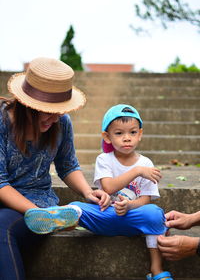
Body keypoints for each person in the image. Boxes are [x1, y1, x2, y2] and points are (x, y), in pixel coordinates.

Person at [27, 104, 173, 280]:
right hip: (104, 215)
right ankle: (56, 218)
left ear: (140, 134)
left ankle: (156, 270)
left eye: (132, 132)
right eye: (119, 133)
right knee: (77, 207)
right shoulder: (104, 159)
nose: (127, 138)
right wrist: (137, 171)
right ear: (107, 137)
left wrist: (129, 206)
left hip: (132, 218)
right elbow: (109, 187)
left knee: (156, 215)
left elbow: (145, 200)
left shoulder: (146, 164)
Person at [0, 57, 110, 280]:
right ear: (26, 104)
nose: (55, 117)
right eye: (47, 110)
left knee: (2, 230)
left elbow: (67, 165)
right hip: (14, 200)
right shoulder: (2, 121)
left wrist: (88, 192)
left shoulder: (62, 123)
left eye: (59, 110)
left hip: (37, 205)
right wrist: (37, 213)